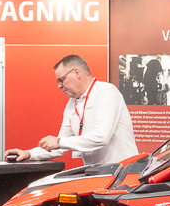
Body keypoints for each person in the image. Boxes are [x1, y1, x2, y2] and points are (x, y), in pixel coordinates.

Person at [8, 54, 140, 168]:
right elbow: (59, 147)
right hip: (98, 174)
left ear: (77, 73)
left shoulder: (106, 91)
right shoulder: (72, 104)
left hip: (124, 172)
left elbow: (102, 137)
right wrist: (29, 154)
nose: (59, 86)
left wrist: (60, 142)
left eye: (61, 80)